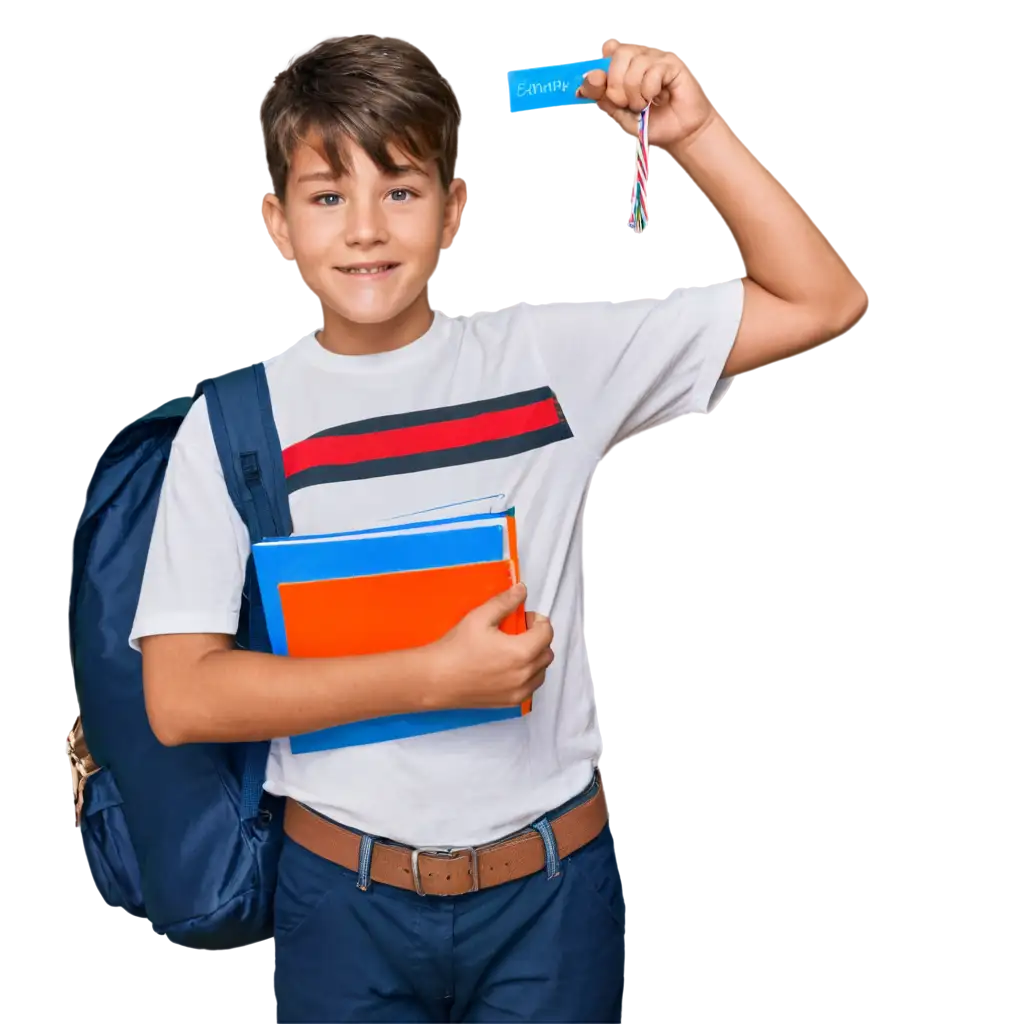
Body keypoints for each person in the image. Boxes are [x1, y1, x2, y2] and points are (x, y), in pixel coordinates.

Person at [130, 31, 867, 1024]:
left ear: (453, 208)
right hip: (340, 898)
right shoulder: (233, 425)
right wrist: (432, 676)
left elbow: (824, 298)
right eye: (326, 194)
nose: (364, 229)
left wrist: (694, 137)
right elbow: (180, 696)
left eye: (400, 189)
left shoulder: (548, 356)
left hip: (551, 892)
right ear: (276, 221)